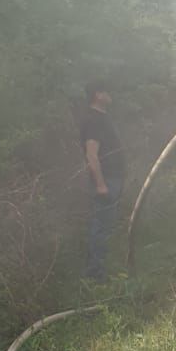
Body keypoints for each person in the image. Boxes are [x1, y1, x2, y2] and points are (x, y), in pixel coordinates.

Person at [80, 81, 125, 282]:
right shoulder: (93, 120)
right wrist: (100, 184)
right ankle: (95, 275)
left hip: (113, 179)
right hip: (106, 181)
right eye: (106, 90)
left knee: (106, 227)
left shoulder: (103, 118)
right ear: (98, 94)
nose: (110, 94)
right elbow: (92, 155)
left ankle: (101, 270)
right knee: (100, 227)